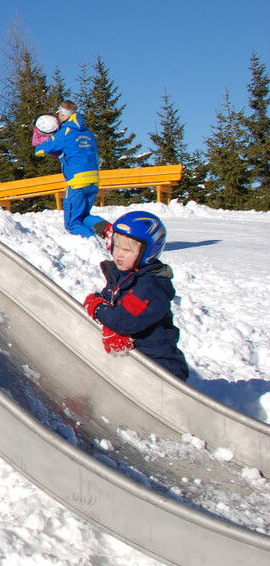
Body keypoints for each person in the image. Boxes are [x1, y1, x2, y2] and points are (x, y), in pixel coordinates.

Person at [82, 211, 189, 380]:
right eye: (116, 246)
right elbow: (113, 307)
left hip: (158, 365)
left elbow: (124, 321)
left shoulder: (150, 288)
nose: (118, 253)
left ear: (148, 252)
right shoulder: (124, 275)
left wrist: (97, 307)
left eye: (127, 250)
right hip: (133, 359)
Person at [32, 100, 109, 238]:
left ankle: (92, 244)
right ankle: (110, 230)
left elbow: (40, 150)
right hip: (94, 181)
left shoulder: (65, 132)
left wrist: (42, 139)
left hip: (77, 183)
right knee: (84, 216)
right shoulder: (88, 133)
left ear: (62, 114)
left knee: (72, 223)